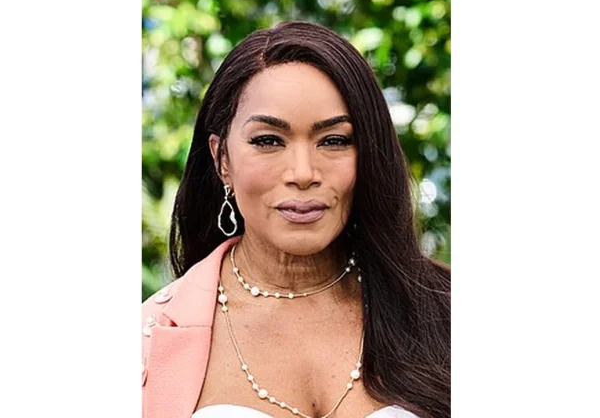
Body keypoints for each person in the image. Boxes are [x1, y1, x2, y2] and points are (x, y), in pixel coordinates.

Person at [141, 21, 450, 418]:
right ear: (222, 160)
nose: (303, 173)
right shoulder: (149, 339)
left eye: (334, 140)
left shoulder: (445, 312)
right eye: (268, 141)